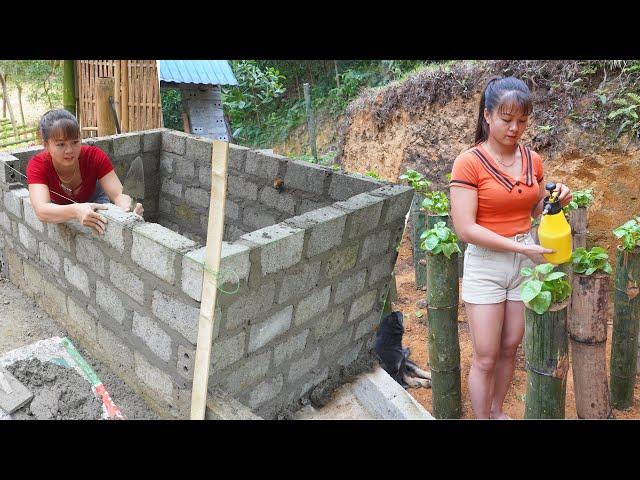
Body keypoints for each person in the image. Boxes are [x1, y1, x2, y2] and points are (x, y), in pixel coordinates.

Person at [449, 76, 572, 419]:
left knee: (509, 346)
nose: (515, 128)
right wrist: (520, 249)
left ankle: (497, 411)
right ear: (487, 116)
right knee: (486, 355)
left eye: (522, 120)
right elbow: (465, 228)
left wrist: (557, 199)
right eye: (506, 119)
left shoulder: (532, 160)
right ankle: (481, 417)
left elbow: (534, 212)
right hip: (487, 264)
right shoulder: (468, 163)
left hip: (524, 260)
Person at [26, 109, 144, 235]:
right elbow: (42, 210)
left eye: (75, 142)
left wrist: (129, 208)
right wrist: (77, 210)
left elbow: (118, 194)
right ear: (46, 145)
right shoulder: (38, 165)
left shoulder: (94, 156)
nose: (69, 150)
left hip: (96, 201)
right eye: (61, 144)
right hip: (58, 209)